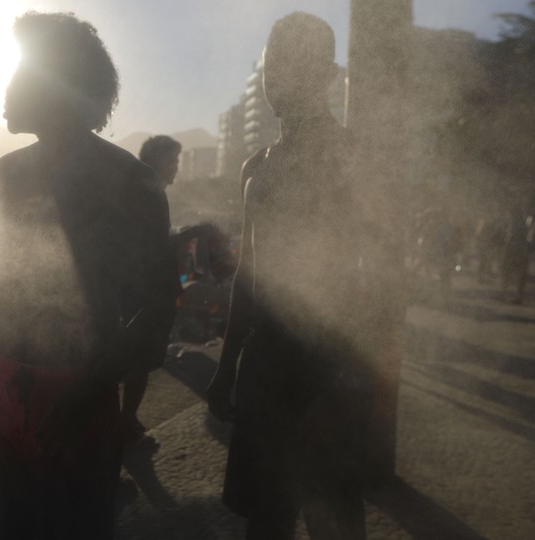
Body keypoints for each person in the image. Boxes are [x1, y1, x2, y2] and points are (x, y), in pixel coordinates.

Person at [0, 12, 178, 539]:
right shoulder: (3, 176)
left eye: (21, 71)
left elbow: (158, 311)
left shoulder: (133, 185)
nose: (7, 86)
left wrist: (88, 390)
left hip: (77, 397)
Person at [206, 12, 376, 540]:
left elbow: (374, 282)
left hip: (328, 364)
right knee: (265, 516)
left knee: (336, 519)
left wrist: (346, 387)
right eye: (274, 63)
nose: (280, 76)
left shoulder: (352, 158)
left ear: (327, 74)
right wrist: (227, 364)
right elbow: (248, 274)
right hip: (266, 364)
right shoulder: (255, 165)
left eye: (297, 63)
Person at [118, 135, 183, 444]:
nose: (177, 169)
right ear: (155, 160)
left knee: (134, 361)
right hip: (144, 295)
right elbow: (151, 247)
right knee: (138, 362)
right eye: (173, 161)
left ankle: (126, 420)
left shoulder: (142, 191)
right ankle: (124, 423)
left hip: (140, 292)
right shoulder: (148, 193)